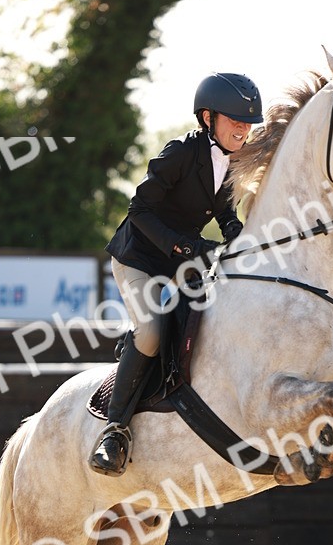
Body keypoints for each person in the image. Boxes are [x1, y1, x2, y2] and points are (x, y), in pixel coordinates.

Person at [88, 71, 264, 476]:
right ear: (207, 118)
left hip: (180, 259)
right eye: (234, 119)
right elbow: (140, 210)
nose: (243, 128)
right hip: (141, 257)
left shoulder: (234, 159)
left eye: (247, 121)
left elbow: (223, 211)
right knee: (151, 332)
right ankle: (114, 431)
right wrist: (186, 246)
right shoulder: (180, 153)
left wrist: (240, 237)